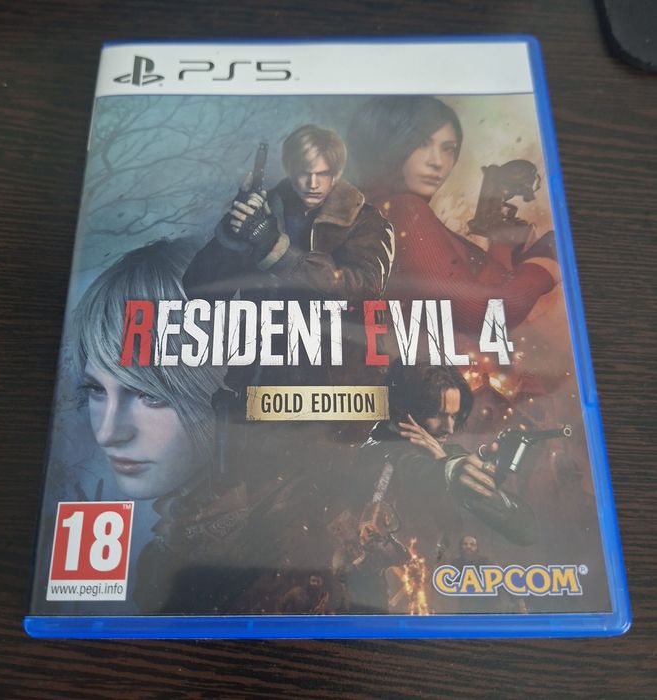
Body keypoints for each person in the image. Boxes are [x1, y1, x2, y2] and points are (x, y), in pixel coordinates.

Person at [70, 237, 257, 614]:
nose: (107, 433)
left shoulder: (291, 531)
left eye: (149, 394)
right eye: (96, 390)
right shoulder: (168, 556)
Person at [183, 123, 395, 389]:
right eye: (304, 173)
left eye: (323, 174)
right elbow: (200, 291)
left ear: (337, 173)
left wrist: (275, 248)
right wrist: (234, 233)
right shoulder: (265, 212)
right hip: (259, 377)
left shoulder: (364, 221)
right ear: (290, 170)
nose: (313, 183)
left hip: (334, 380)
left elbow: (365, 286)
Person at [327, 363, 535, 613]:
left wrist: (450, 466)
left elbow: (526, 529)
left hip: (429, 593)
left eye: (454, 416)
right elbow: (410, 463)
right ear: (410, 412)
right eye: (439, 415)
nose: (449, 428)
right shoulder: (382, 448)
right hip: (372, 593)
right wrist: (448, 469)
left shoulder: (445, 451)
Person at [348, 96, 559, 335]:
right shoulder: (403, 208)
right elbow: (485, 316)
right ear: (390, 145)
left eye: (448, 149)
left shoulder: (383, 212)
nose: (437, 162)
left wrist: (502, 245)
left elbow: (477, 294)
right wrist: (547, 259)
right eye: (421, 144)